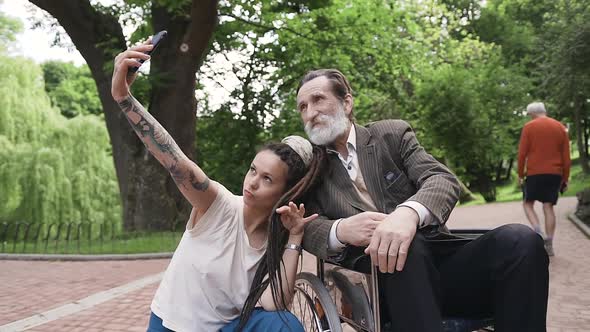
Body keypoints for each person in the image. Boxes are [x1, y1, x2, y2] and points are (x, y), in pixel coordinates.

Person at [296, 69, 550, 331]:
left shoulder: (391, 135)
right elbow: (304, 226)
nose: (310, 112)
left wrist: (408, 214)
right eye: (303, 107)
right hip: (376, 286)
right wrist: (341, 230)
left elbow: (441, 179)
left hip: (440, 267)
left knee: (522, 241)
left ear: (346, 103)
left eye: (318, 99)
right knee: (406, 248)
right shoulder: (310, 168)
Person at [112, 40, 326, 332]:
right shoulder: (219, 205)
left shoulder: (276, 236)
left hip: (225, 328)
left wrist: (296, 236)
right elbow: (173, 159)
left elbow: (275, 303)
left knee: (285, 325)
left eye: (267, 179)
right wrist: (124, 98)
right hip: (173, 326)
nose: (252, 182)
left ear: (284, 193)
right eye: (253, 170)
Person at [518, 102, 571, 256]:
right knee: (548, 207)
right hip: (555, 173)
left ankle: (537, 231)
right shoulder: (560, 127)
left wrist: (521, 174)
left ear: (532, 114)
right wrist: (565, 178)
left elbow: (522, 154)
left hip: (535, 173)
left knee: (528, 204)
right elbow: (566, 157)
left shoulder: (529, 127)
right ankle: (549, 241)